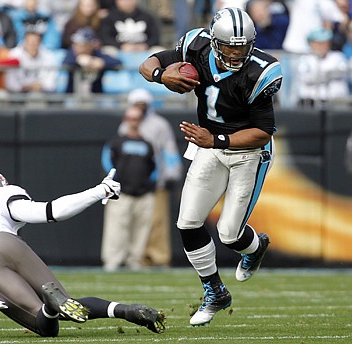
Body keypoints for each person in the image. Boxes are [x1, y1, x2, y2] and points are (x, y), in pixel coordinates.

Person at [139, 7, 282, 326]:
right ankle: (215, 291)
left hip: (247, 150)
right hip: (209, 144)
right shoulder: (196, 45)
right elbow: (148, 63)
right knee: (187, 222)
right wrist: (162, 76)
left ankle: (256, 246)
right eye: (230, 46)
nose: (236, 52)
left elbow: (262, 132)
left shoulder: (261, 71)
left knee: (229, 234)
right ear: (215, 42)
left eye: (242, 46)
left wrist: (215, 140)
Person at [0, 169, 166, 337]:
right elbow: (52, 211)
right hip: (9, 243)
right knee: (71, 306)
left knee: (46, 325)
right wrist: (99, 191)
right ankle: (127, 310)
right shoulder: (3, 195)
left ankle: (49, 307)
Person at [119, 88, 183, 267]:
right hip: (134, 182)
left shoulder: (159, 124)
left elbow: (169, 150)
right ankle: (140, 257)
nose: (139, 108)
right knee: (137, 223)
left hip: (156, 180)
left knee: (157, 221)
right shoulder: (126, 124)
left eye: (142, 104)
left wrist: (172, 173)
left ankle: (158, 257)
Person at [101, 105, 156, 271]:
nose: (134, 122)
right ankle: (113, 261)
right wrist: (114, 184)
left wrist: (150, 184)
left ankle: (135, 261)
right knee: (116, 229)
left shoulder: (147, 144)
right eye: (131, 118)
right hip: (121, 194)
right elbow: (107, 164)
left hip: (143, 194)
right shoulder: (116, 142)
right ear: (125, 120)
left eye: (137, 118)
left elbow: (154, 167)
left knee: (141, 230)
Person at [296, 28, 349, 107]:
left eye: (325, 43)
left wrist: (320, 74)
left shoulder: (338, 56)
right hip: (310, 102)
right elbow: (306, 78)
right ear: (311, 44)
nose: (322, 46)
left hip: (336, 101)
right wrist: (329, 74)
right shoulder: (304, 59)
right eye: (319, 43)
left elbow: (343, 71)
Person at [63, 26, 122, 93]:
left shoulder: (96, 53)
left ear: (90, 45)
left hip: (96, 96)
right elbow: (66, 62)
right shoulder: (72, 53)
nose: (77, 47)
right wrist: (79, 60)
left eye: (82, 44)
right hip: (73, 95)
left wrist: (101, 62)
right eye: (76, 44)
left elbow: (117, 62)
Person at [5, 26, 59, 93]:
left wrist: (41, 86)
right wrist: (23, 87)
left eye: (35, 43)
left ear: (40, 43)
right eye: (30, 43)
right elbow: (10, 82)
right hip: (19, 95)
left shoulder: (49, 56)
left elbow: (51, 83)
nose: (33, 46)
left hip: (42, 94)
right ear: (25, 42)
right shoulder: (14, 55)